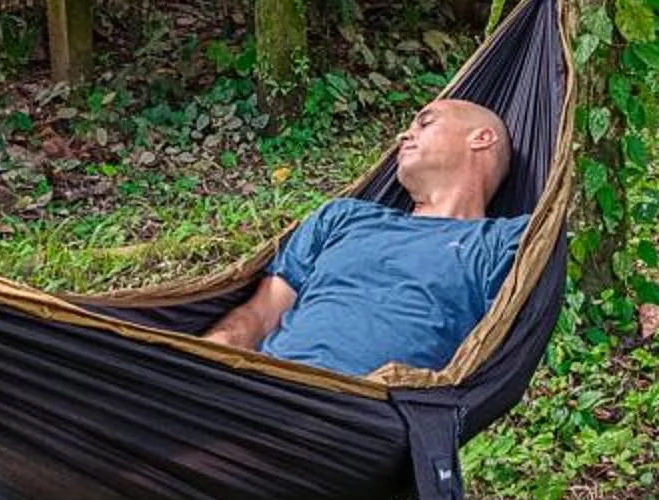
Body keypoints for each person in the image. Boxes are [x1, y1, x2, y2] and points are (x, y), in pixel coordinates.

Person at [203, 97, 527, 378]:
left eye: (425, 123)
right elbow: (259, 314)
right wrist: (199, 360)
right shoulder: (344, 217)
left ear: (482, 138)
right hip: (260, 389)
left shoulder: (505, 242)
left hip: (365, 415)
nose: (404, 134)